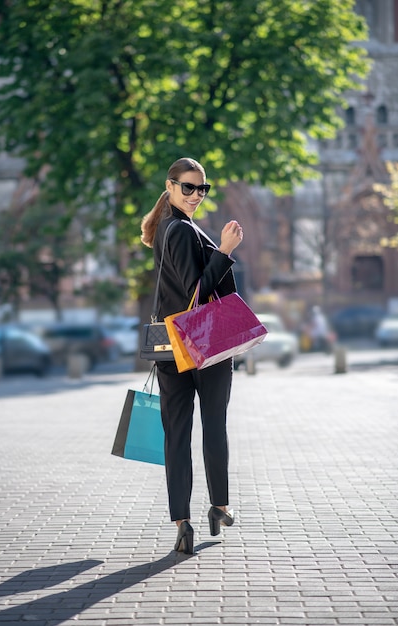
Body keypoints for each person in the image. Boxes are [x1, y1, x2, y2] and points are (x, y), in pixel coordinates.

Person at [141, 157, 243, 555]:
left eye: (203, 189)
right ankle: (218, 506)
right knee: (213, 427)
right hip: (204, 346)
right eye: (189, 187)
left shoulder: (167, 229)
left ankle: (183, 522)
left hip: (170, 351)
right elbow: (194, 294)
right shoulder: (180, 230)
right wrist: (225, 250)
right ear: (169, 186)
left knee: (177, 435)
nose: (197, 195)